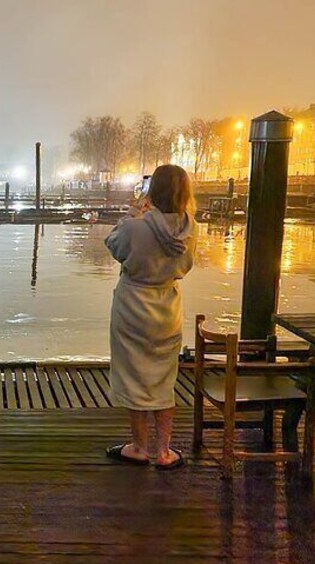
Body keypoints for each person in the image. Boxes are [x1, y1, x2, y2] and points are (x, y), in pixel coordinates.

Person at [104, 164, 197, 470]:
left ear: (152, 190)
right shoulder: (190, 228)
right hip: (167, 306)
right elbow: (187, 266)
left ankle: (140, 447)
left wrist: (132, 214)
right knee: (163, 378)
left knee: (134, 377)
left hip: (133, 306)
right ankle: (165, 451)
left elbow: (114, 245)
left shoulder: (136, 226)